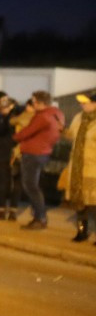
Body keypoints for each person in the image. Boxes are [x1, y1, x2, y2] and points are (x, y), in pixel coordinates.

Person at [12, 90, 64, 230]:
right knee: (33, 185)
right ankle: (39, 216)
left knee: (30, 186)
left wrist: (15, 137)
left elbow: (27, 132)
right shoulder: (57, 114)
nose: (32, 104)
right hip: (44, 152)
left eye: (34, 101)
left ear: (40, 103)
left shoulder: (42, 116)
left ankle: (40, 217)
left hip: (33, 153)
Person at [63, 91, 96, 243]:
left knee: (94, 202)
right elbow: (72, 135)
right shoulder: (78, 118)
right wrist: (62, 131)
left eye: (85, 102)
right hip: (77, 167)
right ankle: (81, 231)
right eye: (81, 102)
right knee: (79, 201)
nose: (81, 105)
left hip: (92, 168)